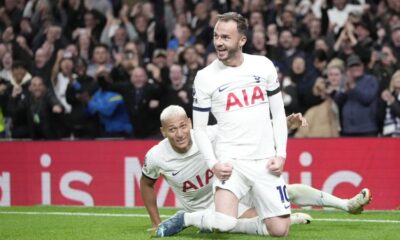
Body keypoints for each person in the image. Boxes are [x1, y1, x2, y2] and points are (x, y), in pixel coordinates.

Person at [141, 105, 371, 237]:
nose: (180, 134)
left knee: (284, 190)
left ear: (190, 123)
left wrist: (284, 125)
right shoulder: (156, 156)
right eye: (172, 129)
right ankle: (192, 219)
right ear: (163, 131)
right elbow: (147, 183)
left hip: (229, 191)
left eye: (183, 126)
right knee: (248, 223)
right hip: (206, 208)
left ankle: (346, 204)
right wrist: (155, 220)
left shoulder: (209, 134)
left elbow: (249, 131)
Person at [191, 12, 290, 237]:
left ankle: (251, 223)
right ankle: (188, 218)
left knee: (280, 230)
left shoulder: (263, 66)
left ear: (242, 40)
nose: (218, 42)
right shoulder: (205, 77)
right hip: (231, 162)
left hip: (265, 160)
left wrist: (281, 155)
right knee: (223, 224)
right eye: (216, 36)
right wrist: (213, 164)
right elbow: (199, 129)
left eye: (225, 37)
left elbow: (278, 113)